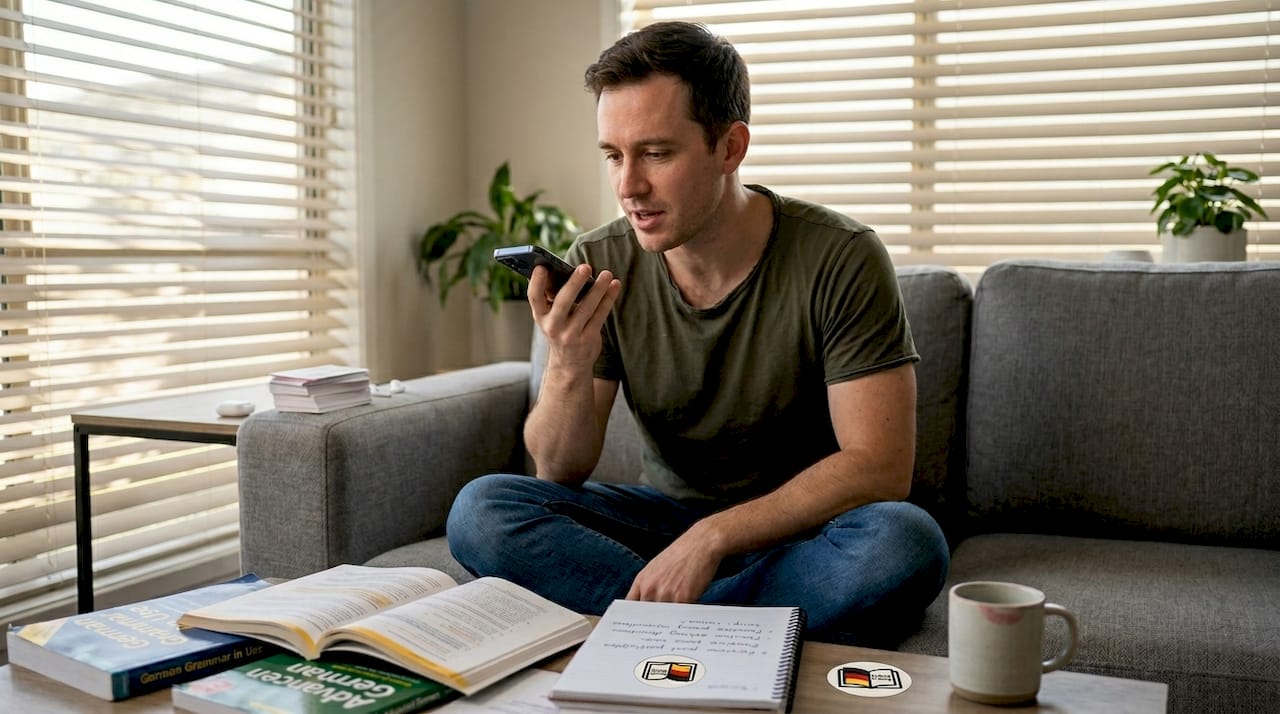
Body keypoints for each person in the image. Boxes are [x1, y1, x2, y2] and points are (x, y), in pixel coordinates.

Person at [447, 21, 948, 645]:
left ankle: (655, 626)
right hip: (665, 524)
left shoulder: (841, 256)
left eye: (656, 153)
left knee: (903, 542)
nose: (629, 186)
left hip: (810, 531)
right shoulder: (601, 261)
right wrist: (568, 361)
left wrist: (711, 540)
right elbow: (558, 469)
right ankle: (735, 627)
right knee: (483, 510)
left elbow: (878, 468)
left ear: (730, 147)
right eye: (613, 155)